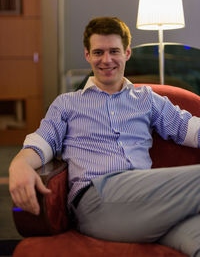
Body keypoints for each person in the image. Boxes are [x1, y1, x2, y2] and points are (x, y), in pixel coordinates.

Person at [9, 17, 200, 257]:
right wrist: (19, 164)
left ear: (127, 53)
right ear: (87, 55)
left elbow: (189, 129)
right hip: (96, 200)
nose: (106, 60)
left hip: (147, 205)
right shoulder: (68, 103)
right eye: (98, 52)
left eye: (114, 51)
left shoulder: (147, 99)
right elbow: (41, 141)